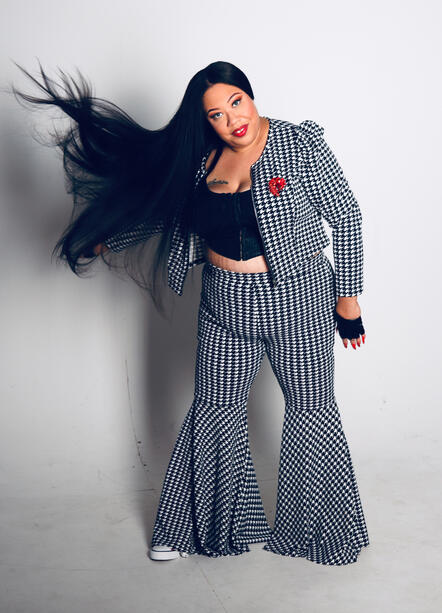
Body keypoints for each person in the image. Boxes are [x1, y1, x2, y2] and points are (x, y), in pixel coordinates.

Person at [10, 60, 369, 565]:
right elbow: (168, 213)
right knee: (216, 408)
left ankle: (319, 533)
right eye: (216, 114)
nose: (232, 120)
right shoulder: (201, 162)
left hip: (299, 300)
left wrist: (347, 299)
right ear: (205, 121)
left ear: (250, 95)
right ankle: (197, 529)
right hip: (225, 301)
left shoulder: (299, 145)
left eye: (236, 103)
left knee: (310, 409)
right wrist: (107, 239)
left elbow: (347, 216)